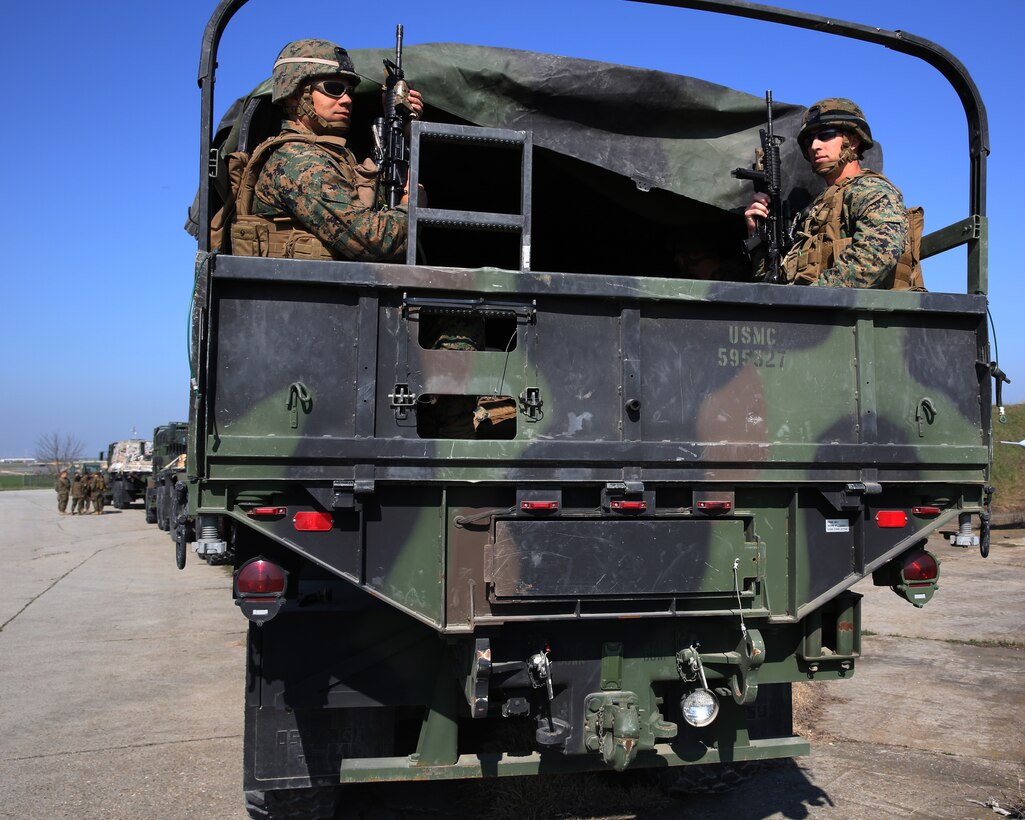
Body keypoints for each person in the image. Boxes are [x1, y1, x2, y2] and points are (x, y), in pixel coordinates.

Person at [232, 38, 424, 262]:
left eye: (350, 91)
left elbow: (375, 210)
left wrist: (403, 130)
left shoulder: (332, 158)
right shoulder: (299, 163)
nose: (347, 100)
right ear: (296, 94)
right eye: (334, 89)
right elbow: (374, 242)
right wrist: (412, 205)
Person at [745, 98, 912, 289]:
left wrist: (804, 300)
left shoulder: (872, 192)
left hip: (856, 316)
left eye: (825, 135)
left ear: (854, 140)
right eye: (809, 140)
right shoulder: (813, 212)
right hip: (814, 314)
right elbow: (773, 282)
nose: (815, 146)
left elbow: (876, 258)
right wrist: (757, 235)